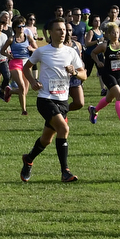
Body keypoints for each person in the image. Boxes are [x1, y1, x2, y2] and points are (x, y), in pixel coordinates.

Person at [20, 20, 85, 183]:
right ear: (50, 32)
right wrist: (33, 82)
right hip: (45, 99)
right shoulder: (42, 51)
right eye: (58, 30)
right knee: (64, 128)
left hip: (63, 101)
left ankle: (28, 158)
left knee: (47, 139)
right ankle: (65, 172)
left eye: (64, 30)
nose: (63, 33)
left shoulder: (71, 52)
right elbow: (26, 68)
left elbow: (84, 74)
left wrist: (75, 72)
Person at [87, 23, 120, 131]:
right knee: (119, 96)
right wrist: (98, 62)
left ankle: (94, 110)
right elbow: (93, 53)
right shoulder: (105, 45)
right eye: (113, 32)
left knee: (109, 99)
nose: (116, 34)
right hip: (108, 74)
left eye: (117, 32)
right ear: (108, 34)